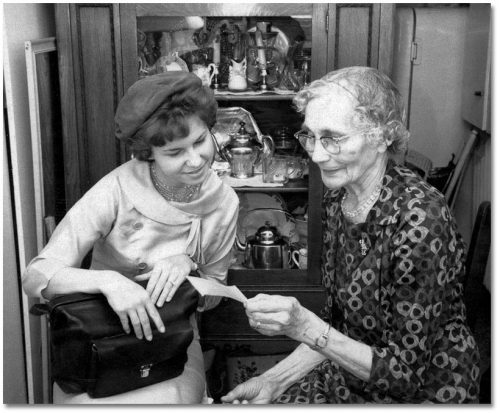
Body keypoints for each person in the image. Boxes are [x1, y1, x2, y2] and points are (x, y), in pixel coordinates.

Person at [221, 66, 480, 404]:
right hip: (351, 365)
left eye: (333, 138)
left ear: (383, 135)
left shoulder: (420, 218)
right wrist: (272, 380)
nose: (316, 154)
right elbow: (337, 325)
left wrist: (304, 326)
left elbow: (404, 375)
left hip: (426, 385)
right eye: (310, 136)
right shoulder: (337, 199)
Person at [22, 71, 239, 404]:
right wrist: (109, 282)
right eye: (175, 152)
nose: (195, 160)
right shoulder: (116, 189)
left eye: (199, 141)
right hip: (99, 336)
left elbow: (213, 296)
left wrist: (188, 265)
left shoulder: (224, 202)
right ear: (149, 152)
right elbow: (36, 276)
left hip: (172, 339)